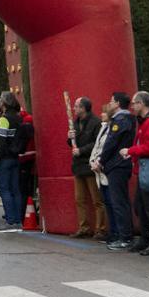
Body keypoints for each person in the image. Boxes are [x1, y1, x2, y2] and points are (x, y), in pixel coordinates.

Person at [120, 91, 149, 256]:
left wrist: (130, 150)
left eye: (134, 103)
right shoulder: (146, 121)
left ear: (142, 104)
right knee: (141, 206)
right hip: (145, 168)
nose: (132, 107)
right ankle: (146, 239)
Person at [98, 92, 136, 250]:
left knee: (119, 202)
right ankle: (125, 235)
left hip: (117, 165)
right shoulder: (124, 119)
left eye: (111, 101)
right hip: (118, 164)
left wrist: (101, 160)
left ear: (118, 103)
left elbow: (111, 142)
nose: (109, 104)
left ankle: (125, 237)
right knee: (121, 202)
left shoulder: (121, 120)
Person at [66, 97, 106, 239]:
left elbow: (98, 143)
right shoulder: (75, 123)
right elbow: (72, 143)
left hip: (90, 165)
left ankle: (101, 229)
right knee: (79, 199)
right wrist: (69, 137)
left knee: (97, 199)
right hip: (78, 166)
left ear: (84, 108)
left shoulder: (96, 123)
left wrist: (81, 150)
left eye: (77, 106)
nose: (74, 109)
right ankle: (84, 227)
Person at [0, 92, 27, 233]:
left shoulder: (4, 119)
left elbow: (1, 142)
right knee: (15, 190)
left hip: (5, 159)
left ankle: (10, 221)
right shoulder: (18, 118)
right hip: (16, 158)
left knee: (4, 190)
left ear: (3, 103)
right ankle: (18, 221)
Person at [89, 106, 117, 244]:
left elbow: (106, 147)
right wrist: (92, 161)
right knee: (107, 202)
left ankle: (116, 232)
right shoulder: (103, 127)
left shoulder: (112, 129)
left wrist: (99, 162)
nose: (101, 114)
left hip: (105, 169)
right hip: (98, 168)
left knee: (112, 202)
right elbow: (97, 146)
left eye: (104, 112)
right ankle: (112, 232)